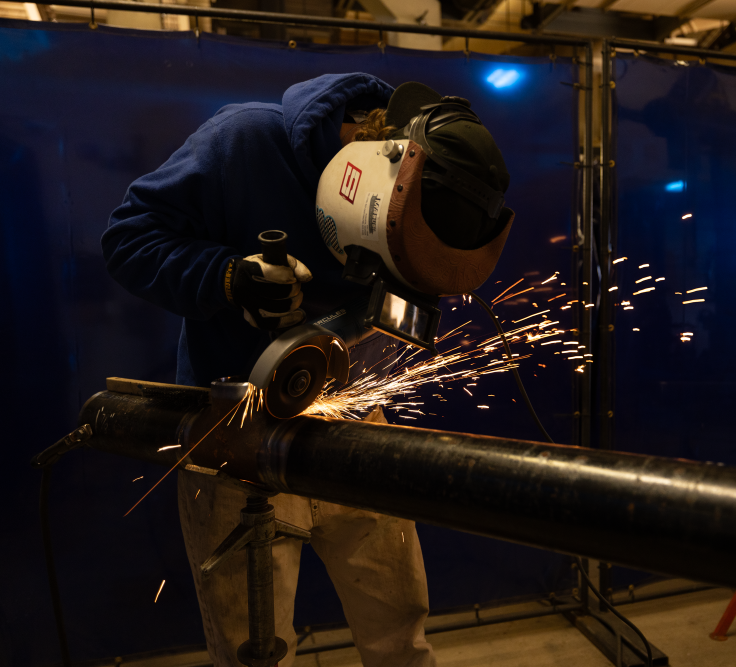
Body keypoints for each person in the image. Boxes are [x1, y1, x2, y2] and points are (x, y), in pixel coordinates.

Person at [101, 73, 511, 667]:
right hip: (237, 432)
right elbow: (126, 240)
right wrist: (225, 276)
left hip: (354, 417)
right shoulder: (243, 141)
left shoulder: (424, 194)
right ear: (366, 182)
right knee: (253, 648)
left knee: (400, 628)